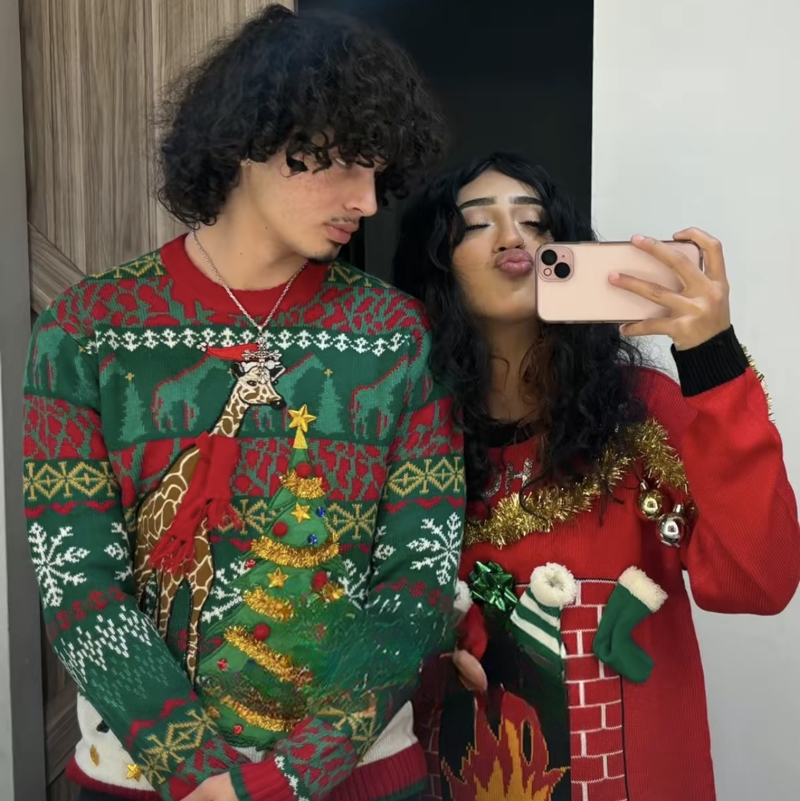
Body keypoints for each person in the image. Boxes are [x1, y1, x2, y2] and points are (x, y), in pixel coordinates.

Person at [23, 7, 464, 801]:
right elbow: (76, 580)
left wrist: (285, 778)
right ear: (250, 137)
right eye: (342, 162)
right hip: (142, 783)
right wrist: (200, 775)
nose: (368, 200)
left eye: (378, 171)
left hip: (361, 782)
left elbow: (417, 583)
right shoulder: (86, 330)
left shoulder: (398, 337)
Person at [393, 152, 800, 801]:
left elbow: (760, 581)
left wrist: (713, 357)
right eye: (477, 223)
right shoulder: (410, 436)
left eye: (536, 221)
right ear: (435, 263)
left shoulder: (642, 414)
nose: (513, 236)